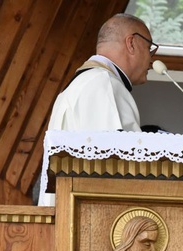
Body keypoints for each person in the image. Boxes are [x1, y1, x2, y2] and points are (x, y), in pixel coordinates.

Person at [38, 13, 157, 204]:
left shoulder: (86, 82)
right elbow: (113, 168)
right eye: (150, 48)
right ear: (132, 43)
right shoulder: (104, 83)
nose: (152, 59)